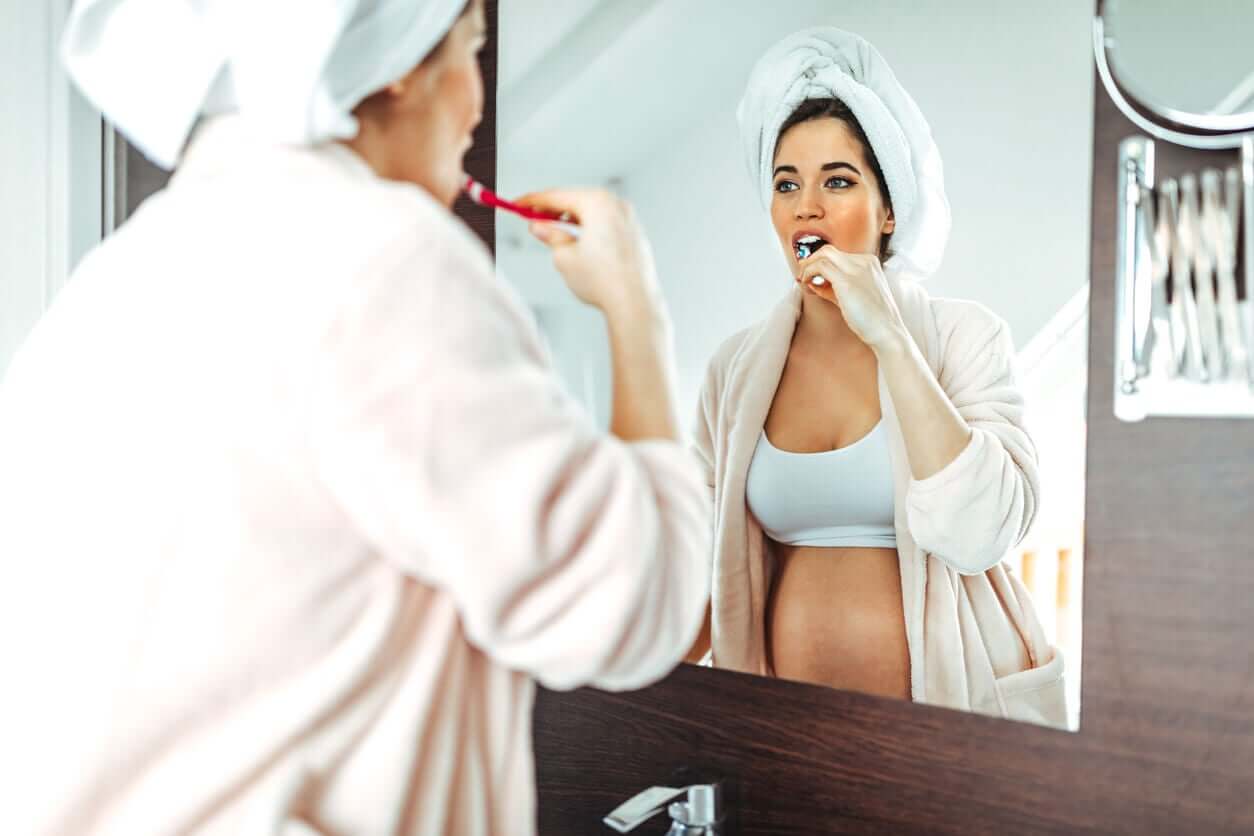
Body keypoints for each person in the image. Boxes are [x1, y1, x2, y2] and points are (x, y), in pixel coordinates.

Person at [0, 1, 709, 833]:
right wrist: (637, 308)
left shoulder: (107, 287)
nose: (478, 105)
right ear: (404, 65)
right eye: (474, 51)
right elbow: (630, 608)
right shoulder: (388, 258)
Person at [685, 27, 1066, 728]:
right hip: (782, 742)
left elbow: (983, 533)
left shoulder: (962, 337)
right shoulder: (733, 371)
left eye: (838, 180)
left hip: (950, 736)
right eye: (786, 184)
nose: (808, 205)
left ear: (889, 210)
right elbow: (704, 583)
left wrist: (889, 336)